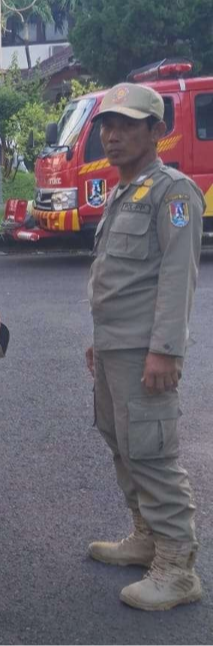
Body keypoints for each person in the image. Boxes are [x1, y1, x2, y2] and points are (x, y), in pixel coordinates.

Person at [84, 83, 203, 611]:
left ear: (157, 131)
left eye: (128, 126)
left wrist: (166, 351)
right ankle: (146, 537)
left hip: (144, 352)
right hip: (115, 347)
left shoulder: (172, 193)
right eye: (108, 126)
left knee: (153, 454)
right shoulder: (121, 191)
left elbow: (178, 277)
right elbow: (118, 278)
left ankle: (178, 568)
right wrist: (99, 341)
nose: (112, 136)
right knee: (122, 442)